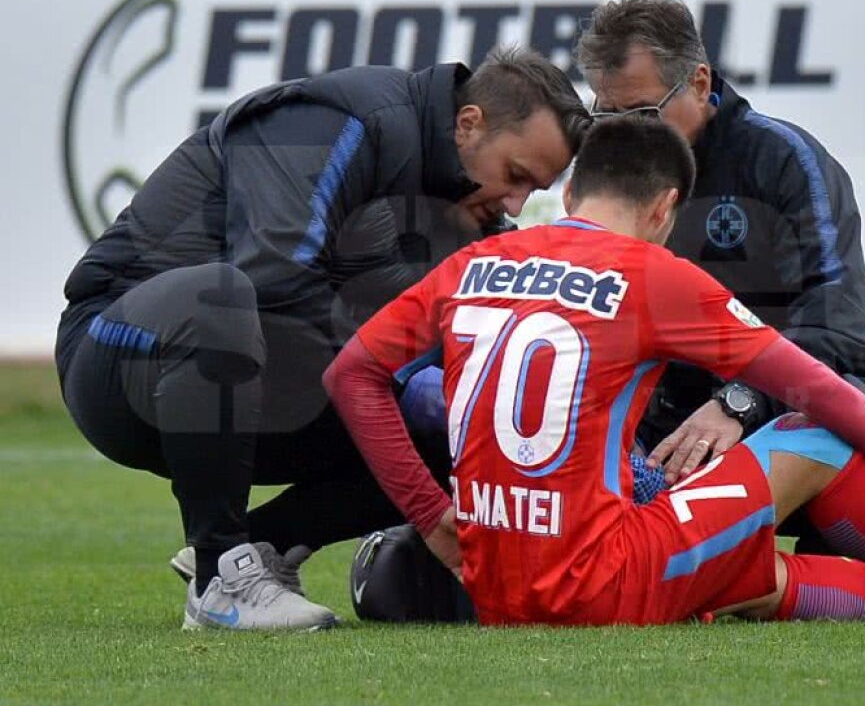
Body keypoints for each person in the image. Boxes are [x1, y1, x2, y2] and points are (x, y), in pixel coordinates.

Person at [324, 116, 865, 626]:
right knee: (813, 432)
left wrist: (433, 515)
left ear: (569, 190)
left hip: (496, 585)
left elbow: (352, 376)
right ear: (664, 208)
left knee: (750, 572)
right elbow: (817, 387)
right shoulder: (649, 273)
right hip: (601, 579)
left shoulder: (477, 262)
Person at [55, 47, 591, 630]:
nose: (515, 203)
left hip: (261, 385)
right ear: (468, 123)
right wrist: (398, 378)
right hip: (119, 353)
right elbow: (276, 280)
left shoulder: (466, 209)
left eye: (532, 189)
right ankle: (220, 577)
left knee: (466, 426)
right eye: (515, 175)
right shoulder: (337, 119)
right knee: (220, 299)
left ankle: (263, 547)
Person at [575, 0, 865, 498]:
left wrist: (741, 401)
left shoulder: (784, 159)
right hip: (689, 415)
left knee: (795, 437)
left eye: (643, 114)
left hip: (830, 400)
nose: (626, 137)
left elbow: (836, 320)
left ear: (699, 84)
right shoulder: (617, 176)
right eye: (609, 118)